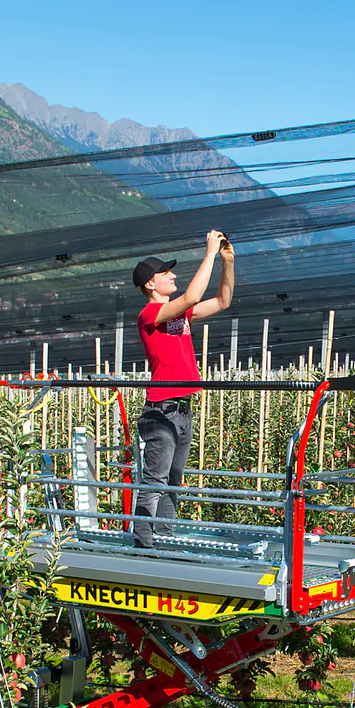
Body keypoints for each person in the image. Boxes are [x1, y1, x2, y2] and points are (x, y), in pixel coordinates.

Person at [130, 229, 235, 548]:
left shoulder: (179, 314)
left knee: (172, 481)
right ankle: (144, 539)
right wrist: (208, 253)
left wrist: (227, 263)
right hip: (160, 412)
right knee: (157, 479)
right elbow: (190, 297)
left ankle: (164, 535)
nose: (172, 275)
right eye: (166, 272)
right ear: (150, 284)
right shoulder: (149, 314)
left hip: (181, 409)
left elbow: (222, 301)